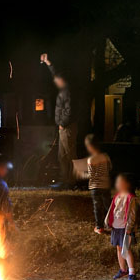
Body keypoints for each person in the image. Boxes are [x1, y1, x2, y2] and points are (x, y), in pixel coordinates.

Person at [40, 53, 77, 188]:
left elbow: (69, 110)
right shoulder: (64, 90)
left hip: (67, 127)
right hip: (63, 127)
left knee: (69, 155)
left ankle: (71, 181)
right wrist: (48, 63)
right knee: (62, 155)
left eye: (58, 80)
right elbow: (55, 74)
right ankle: (65, 179)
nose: (55, 81)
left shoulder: (67, 92)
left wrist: (62, 123)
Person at [104, 173, 140, 280]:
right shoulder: (117, 196)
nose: (118, 184)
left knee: (126, 249)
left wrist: (129, 228)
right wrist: (108, 222)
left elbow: (132, 215)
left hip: (125, 228)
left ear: (126, 184)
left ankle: (132, 273)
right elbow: (112, 210)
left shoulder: (131, 198)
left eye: (120, 182)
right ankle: (123, 269)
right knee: (119, 248)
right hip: (116, 227)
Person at [84, 134, 112, 234]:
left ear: (90, 147)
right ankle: (112, 224)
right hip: (105, 185)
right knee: (108, 206)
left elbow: (91, 175)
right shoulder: (105, 156)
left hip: (95, 187)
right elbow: (110, 168)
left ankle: (99, 227)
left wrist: (81, 174)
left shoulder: (90, 160)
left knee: (97, 206)